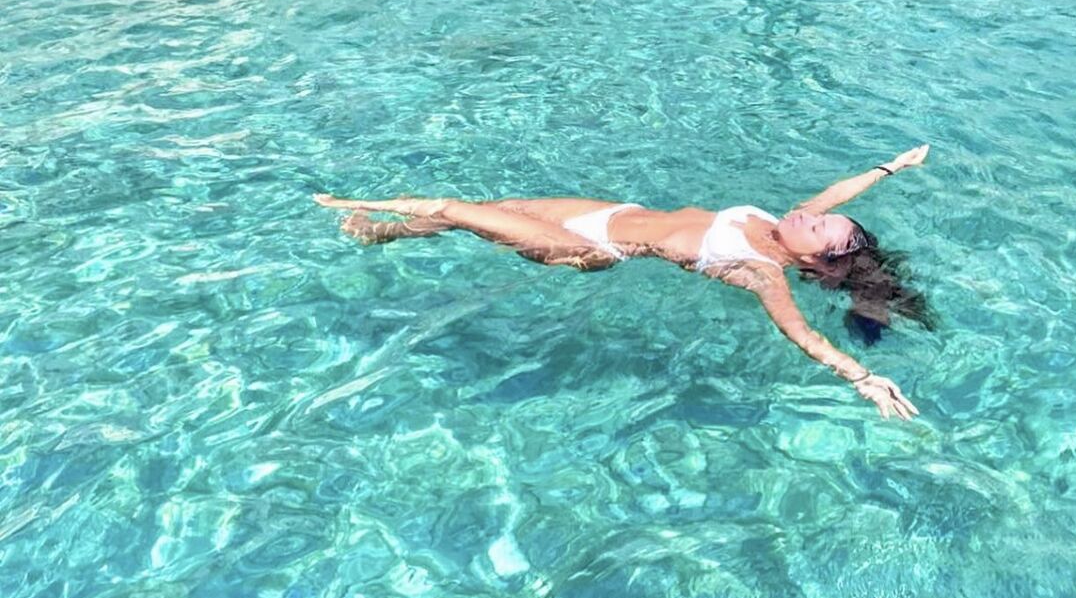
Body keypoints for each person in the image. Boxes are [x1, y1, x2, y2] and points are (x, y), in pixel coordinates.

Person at [315, 145, 932, 420]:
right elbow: (835, 192)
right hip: (609, 211)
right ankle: (382, 235)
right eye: (818, 216)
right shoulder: (776, 225)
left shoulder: (763, 271)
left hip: (590, 247)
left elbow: (801, 334)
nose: (811, 214)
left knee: (451, 208)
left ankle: (344, 206)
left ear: (815, 264)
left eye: (819, 228)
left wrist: (862, 377)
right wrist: (891, 166)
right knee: (496, 205)